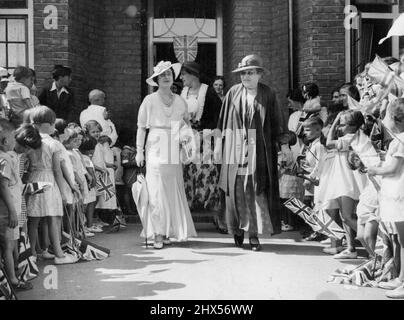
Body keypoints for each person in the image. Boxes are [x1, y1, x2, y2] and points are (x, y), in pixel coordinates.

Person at [215, 54, 291, 251]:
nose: (245, 77)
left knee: (256, 190)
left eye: (250, 73)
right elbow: (222, 124)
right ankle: (238, 231)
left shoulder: (268, 94)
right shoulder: (232, 93)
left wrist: (284, 145)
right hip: (235, 149)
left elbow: (277, 123)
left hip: (260, 151)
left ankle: (254, 235)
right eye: (242, 73)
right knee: (236, 190)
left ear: (259, 74)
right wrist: (217, 146)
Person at [136, 60, 197, 249]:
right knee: (156, 189)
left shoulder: (180, 100)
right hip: (155, 144)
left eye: (169, 74)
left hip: (173, 145)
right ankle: (157, 233)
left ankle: (169, 230)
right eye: (161, 75)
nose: (166, 77)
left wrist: (187, 141)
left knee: (172, 187)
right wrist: (139, 151)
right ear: (156, 79)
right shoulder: (149, 100)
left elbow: (186, 126)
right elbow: (141, 127)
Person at [15, 119, 78, 265]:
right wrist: (63, 192)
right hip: (48, 180)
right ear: (48, 125)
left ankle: (32, 253)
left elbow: (27, 166)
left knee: (33, 219)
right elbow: (57, 170)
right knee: (52, 218)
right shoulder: (53, 144)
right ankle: (58, 253)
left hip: (33, 178)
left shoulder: (31, 142)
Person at [180, 61, 226, 233]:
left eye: (184, 74)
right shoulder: (182, 93)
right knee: (186, 178)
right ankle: (186, 219)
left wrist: (205, 132)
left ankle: (217, 217)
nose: (182, 78)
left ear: (193, 74)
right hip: (187, 142)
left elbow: (218, 117)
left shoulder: (209, 91)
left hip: (205, 141)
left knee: (208, 177)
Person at [368, 98, 404, 299]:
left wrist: (375, 169)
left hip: (400, 194)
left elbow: (393, 169)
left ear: (396, 118)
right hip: (396, 193)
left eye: (386, 114)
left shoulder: (401, 140)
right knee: (401, 238)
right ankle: (400, 278)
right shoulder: (399, 140)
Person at [324, 110, 367, 259]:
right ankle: (351, 248)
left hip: (347, 182)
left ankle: (372, 243)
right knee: (345, 216)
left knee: (348, 217)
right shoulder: (358, 137)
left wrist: (335, 120)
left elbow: (328, 143)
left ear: (351, 126)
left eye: (342, 125)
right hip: (348, 180)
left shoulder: (348, 139)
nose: (339, 128)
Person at [0, 119, 33, 291]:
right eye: (13, 137)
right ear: (5, 141)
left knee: (10, 244)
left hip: (8, 209)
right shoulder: (6, 158)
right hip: (7, 211)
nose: (15, 141)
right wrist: (13, 213)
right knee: (9, 245)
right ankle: (12, 279)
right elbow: (3, 186)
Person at [279, 89, 306, 232]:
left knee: (293, 191)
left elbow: (292, 136)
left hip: (299, 154)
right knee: (289, 191)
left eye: (290, 102)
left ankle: (300, 222)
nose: (289, 105)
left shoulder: (298, 115)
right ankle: (294, 221)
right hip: (296, 154)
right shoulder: (295, 115)